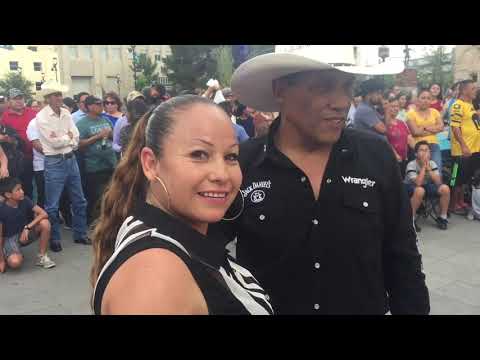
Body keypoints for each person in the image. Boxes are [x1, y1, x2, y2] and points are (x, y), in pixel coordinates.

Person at [225, 45, 429, 314]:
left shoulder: (375, 154)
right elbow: (211, 256)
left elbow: (403, 257)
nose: (342, 102)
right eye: (323, 87)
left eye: (347, 87)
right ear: (280, 90)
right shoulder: (243, 162)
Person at [90, 95, 273, 315]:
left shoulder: (178, 241)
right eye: (199, 154)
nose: (222, 174)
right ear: (151, 164)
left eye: (231, 156)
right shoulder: (155, 278)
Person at [35, 81, 89, 252]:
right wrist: (68, 137)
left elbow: (76, 135)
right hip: (55, 161)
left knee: (79, 199)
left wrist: (65, 138)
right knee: (52, 204)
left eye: (60, 94)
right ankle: (55, 238)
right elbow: (53, 142)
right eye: (56, 95)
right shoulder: (41, 117)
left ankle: (80, 233)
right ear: (48, 98)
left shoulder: (65, 112)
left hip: (69, 159)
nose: (59, 97)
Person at [0, 177, 55, 273]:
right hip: (9, 239)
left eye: (21, 188)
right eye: (18, 190)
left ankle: (41, 257)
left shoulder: (24, 200)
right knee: (15, 263)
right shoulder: (2, 209)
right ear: (8, 195)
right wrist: (1, 260)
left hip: (24, 233)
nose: (22, 191)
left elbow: (43, 213)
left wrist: (27, 227)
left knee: (45, 223)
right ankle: (6, 253)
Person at [76, 96, 117, 224]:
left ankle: (108, 220)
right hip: (94, 166)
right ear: (89, 107)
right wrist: (98, 136)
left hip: (110, 163)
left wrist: (109, 134)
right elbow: (79, 144)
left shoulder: (105, 120)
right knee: (95, 197)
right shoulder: (82, 124)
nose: (101, 106)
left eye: (102, 104)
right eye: (98, 104)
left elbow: (114, 136)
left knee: (111, 194)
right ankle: (93, 221)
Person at [449, 79, 480, 215]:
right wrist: (463, 146)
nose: (475, 91)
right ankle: (452, 205)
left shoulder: (470, 104)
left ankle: (461, 202)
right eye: (473, 89)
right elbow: (455, 128)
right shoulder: (458, 105)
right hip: (461, 151)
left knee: (465, 178)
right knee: (456, 178)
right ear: (464, 90)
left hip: (474, 149)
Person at [404, 141, 450, 231]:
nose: (425, 153)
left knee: (445, 188)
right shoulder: (411, 164)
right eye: (422, 150)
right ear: (416, 154)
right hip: (409, 187)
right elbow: (418, 183)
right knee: (420, 190)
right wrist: (424, 168)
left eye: (427, 150)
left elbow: (438, 182)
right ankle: (410, 220)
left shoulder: (432, 163)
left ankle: (442, 217)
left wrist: (429, 170)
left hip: (426, 186)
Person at [1, 88, 37, 199]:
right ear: (9, 101)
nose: (19, 101)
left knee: (41, 186)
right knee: (24, 188)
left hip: (38, 156)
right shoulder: (4, 117)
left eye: (20, 98)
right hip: (19, 160)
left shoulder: (34, 113)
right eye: (15, 99)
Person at [406, 88, 444, 174]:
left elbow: (441, 127)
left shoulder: (435, 112)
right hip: (418, 146)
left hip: (433, 145)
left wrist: (424, 128)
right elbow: (415, 132)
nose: (426, 100)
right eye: (423, 98)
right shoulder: (411, 114)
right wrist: (434, 129)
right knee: (421, 172)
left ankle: (437, 187)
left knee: (437, 170)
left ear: (431, 100)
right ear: (417, 99)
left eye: (428, 98)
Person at [385, 97, 415, 178]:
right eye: (392, 106)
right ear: (387, 107)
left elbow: (409, 139)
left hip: (404, 159)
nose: (395, 108)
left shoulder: (401, 122)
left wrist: (419, 150)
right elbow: (385, 141)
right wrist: (395, 154)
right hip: (392, 159)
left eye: (397, 106)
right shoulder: (383, 124)